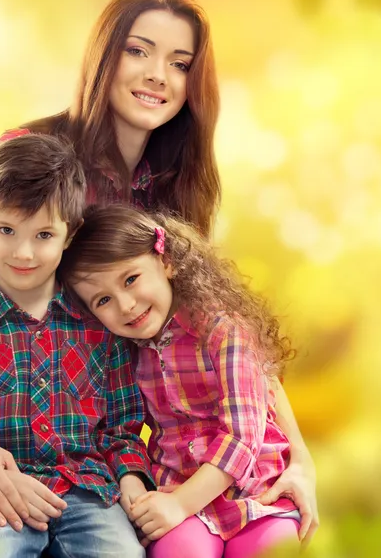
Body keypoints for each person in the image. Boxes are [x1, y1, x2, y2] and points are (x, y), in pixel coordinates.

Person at [0, 0, 317, 540]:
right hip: (12, 457)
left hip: (110, 471)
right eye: (138, 50)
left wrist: (298, 456)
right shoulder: (17, 165)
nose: (158, 74)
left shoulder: (171, 193)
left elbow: (227, 335)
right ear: (103, 56)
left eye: (180, 64)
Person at [0, 134, 152, 557]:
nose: (23, 252)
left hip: (89, 493)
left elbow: (122, 427)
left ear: (69, 235)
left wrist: (132, 476)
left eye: (43, 235)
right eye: (7, 230)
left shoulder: (97, 323)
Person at [59, 204, 304, 557]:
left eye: (131, 279)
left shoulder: (223, 331)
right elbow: (119, 428)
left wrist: (179, 505)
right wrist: (145, 487)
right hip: (176, 490)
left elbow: (242, 437)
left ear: (166, 261)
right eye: (103, 300)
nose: (126, 305)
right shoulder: (125, 352)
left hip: (257, 493)